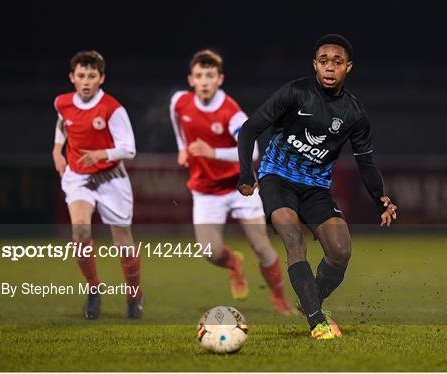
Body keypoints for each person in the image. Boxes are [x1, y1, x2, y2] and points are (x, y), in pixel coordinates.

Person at [237, 34, 398, 339]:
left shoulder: (353, 113)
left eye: (337, 62)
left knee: (340, 252)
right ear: (314, 64)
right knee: (293, 237)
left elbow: (366, 162)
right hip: (277, 178)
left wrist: (380, 199)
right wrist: (246, 174)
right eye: (323, 61)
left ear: (348, 68)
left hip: (315, 188)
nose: (329, 67)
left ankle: (311, 300)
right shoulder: (295, 93)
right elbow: (249, 130)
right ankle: (317, 322)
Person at [169, 49, 297, 315]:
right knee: (210, 252)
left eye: (210, 75)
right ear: (191, 80)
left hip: (241, 188)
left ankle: (280, 300)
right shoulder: (180, 102)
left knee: (262, 248)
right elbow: (177, 121)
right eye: (199, 75)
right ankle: (234, 265)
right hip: (206, 191)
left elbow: (253, 152)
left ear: (220, 79)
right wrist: (183, 147)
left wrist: (211, 152)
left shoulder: (231, 113)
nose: (204, 81)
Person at [52, 50, 142, 319]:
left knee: (123, 242)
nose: (86, 81)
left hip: (111, 177)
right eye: (81, 76)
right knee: (79, 232)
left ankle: (135, 296)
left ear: (101, 78)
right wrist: (57, 150)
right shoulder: (62, 103)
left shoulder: (113, 109)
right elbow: (63, 124)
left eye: (92, 76)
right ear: (72, 78)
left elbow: (129, 149)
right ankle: (93, 290)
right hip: (79, 177)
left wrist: (101, 154)